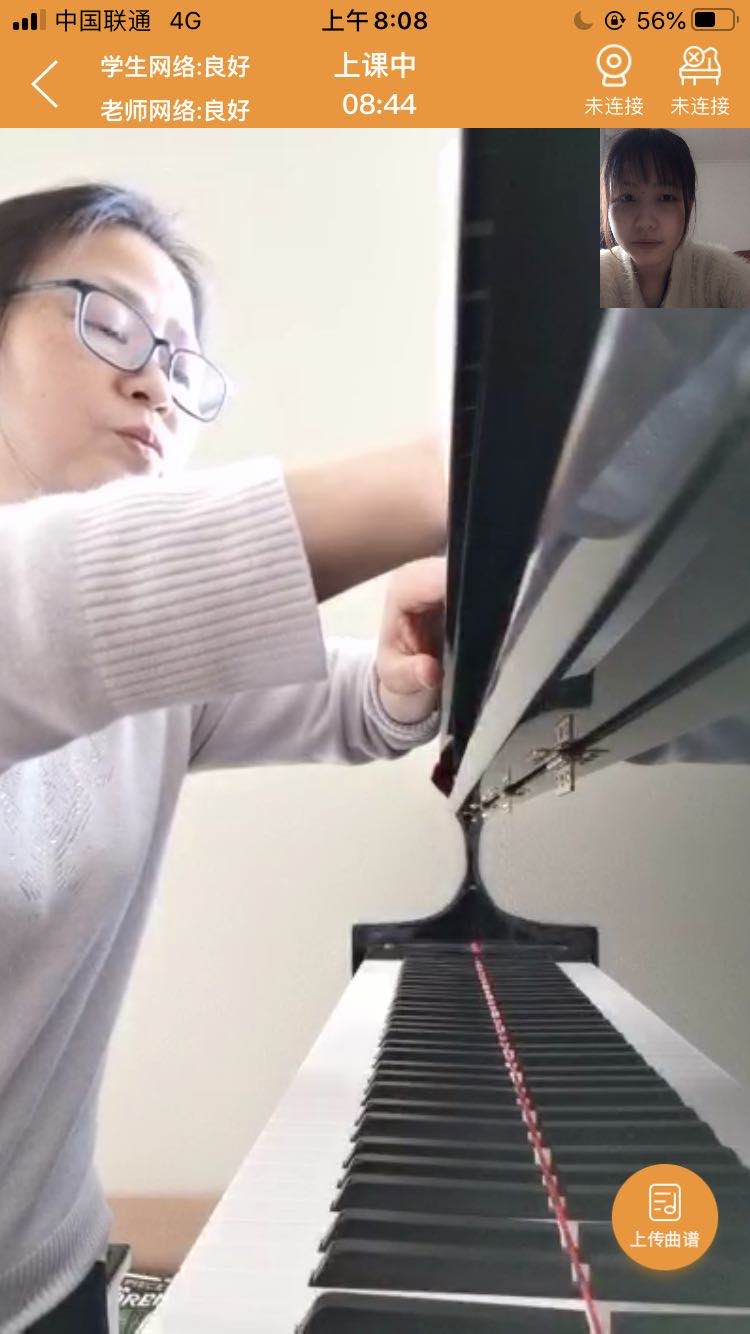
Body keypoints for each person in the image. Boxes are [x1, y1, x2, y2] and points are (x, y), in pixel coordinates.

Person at [0, 181, 448, 1332]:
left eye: (181, 360)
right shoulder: (56, 603)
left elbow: (346, 697)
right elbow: (59, 599)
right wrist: (458, 472)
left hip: (52, 1275)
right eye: (109, 322)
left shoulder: (149, 667)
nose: (155, 382)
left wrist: (400, 675)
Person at [599, 128, 750, 308]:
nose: (645, 223)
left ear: (688, 206)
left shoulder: (723, 274)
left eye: (666, 198)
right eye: (627, 198)